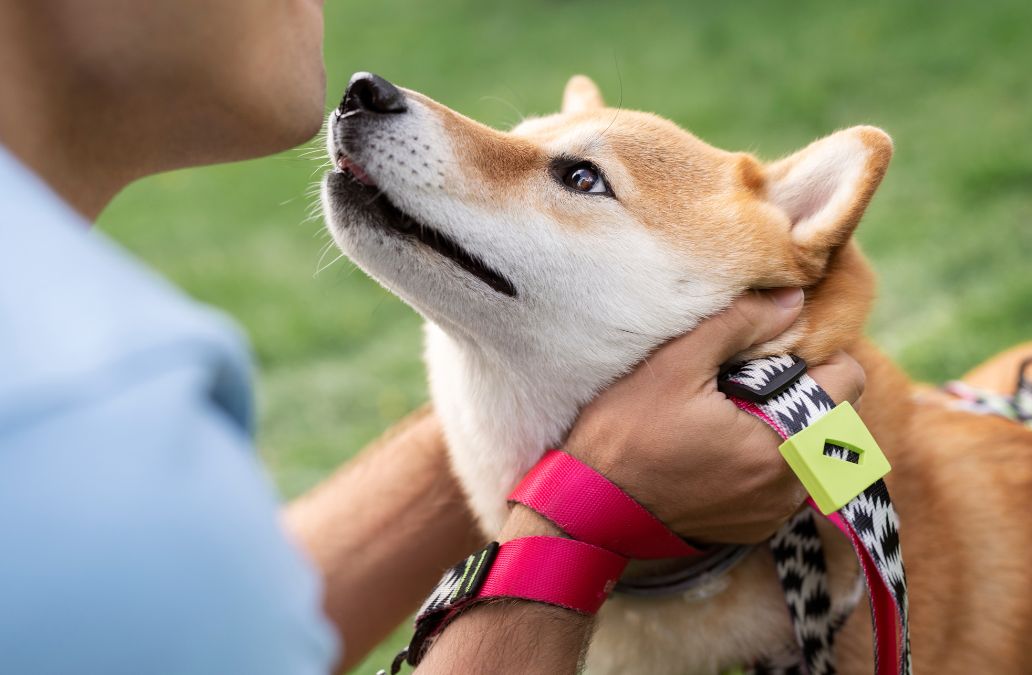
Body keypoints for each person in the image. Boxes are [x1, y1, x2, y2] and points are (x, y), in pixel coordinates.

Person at [0, 2, 866, 673]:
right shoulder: (68, 427)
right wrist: (580, 516)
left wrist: (570, 423)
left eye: (573, 175)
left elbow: (203, 628)